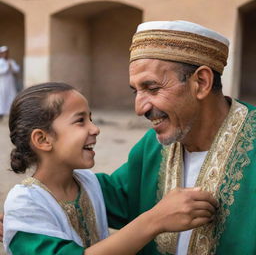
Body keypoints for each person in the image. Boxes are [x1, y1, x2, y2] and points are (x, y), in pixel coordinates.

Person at [95, 20, 256, 255]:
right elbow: (107, 197)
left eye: (152, 88)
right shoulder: (152, 147)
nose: (139, 108)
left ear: (201, 82)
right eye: (135, 90)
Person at [3, 82, 217, 255]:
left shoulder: (88, 184)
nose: (95, 129)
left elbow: (132, 193)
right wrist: (155, 220)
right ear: (43, 139)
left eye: (91, 119)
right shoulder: (25, 203)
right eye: (80, 121)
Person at [0, 46, 20, 119]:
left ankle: (10, 112)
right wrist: (7, 68)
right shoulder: (0, 62)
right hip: (2, 83)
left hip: (10, 82)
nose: (5, 54)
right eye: (3, 53)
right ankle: (1, 112)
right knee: (2, 97)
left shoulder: (11, 61)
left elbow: (17, 69)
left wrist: (11, 66)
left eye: (6, 52)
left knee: (11, 96)